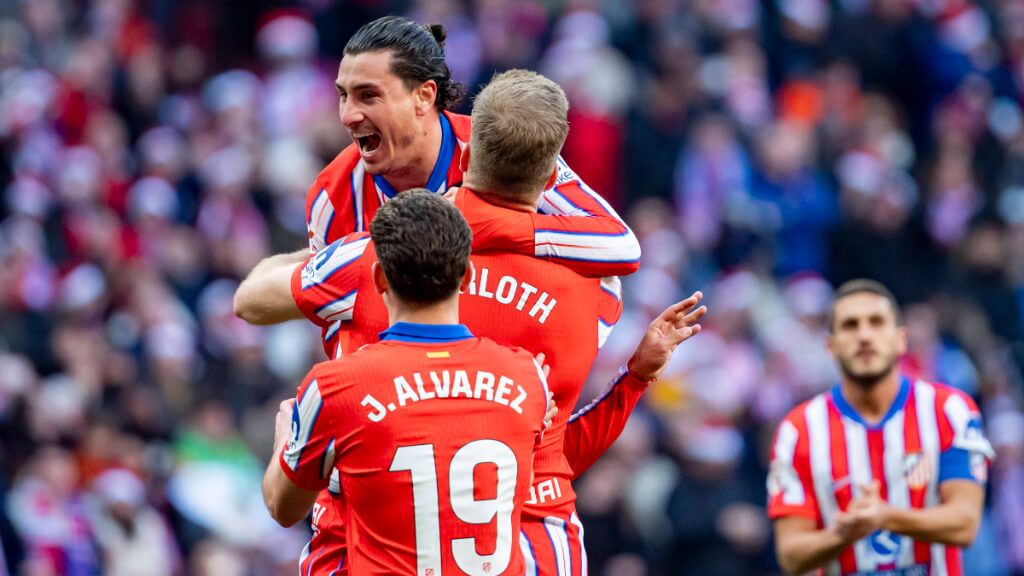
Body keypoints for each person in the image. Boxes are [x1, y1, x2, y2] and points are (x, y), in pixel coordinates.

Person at [241, 69, 705, 576]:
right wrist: (634, 379)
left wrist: (324, 256)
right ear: (551, 176)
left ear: (465, 154)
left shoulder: (368, 261)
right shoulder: (590, 293)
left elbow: (250, 302)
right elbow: (556, 456)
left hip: (372, 536)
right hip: (529, 542)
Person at [237, 15, 640, 347]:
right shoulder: (333, 195)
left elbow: (620, 247)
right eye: (344, 95)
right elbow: (337, 327)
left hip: (523, 369)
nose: (348, 115)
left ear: (424, 96)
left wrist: (487, 224)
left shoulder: (496, 144)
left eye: (368, 96)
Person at [262, 191, 552, 574]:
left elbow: (283, 508)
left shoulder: (336, 387)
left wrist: (285, 439)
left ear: (379, 278)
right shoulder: (528, 377)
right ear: (467, 275)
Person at [768, 279, 995, 575]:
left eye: (876, 323)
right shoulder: (799, 430)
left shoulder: (948, 410)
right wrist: (846, 533)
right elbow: (790, 555)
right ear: (831, 346)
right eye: (850, 325)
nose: (864, 335)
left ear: (901, 339)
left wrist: (885, 517)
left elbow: (965, 523)